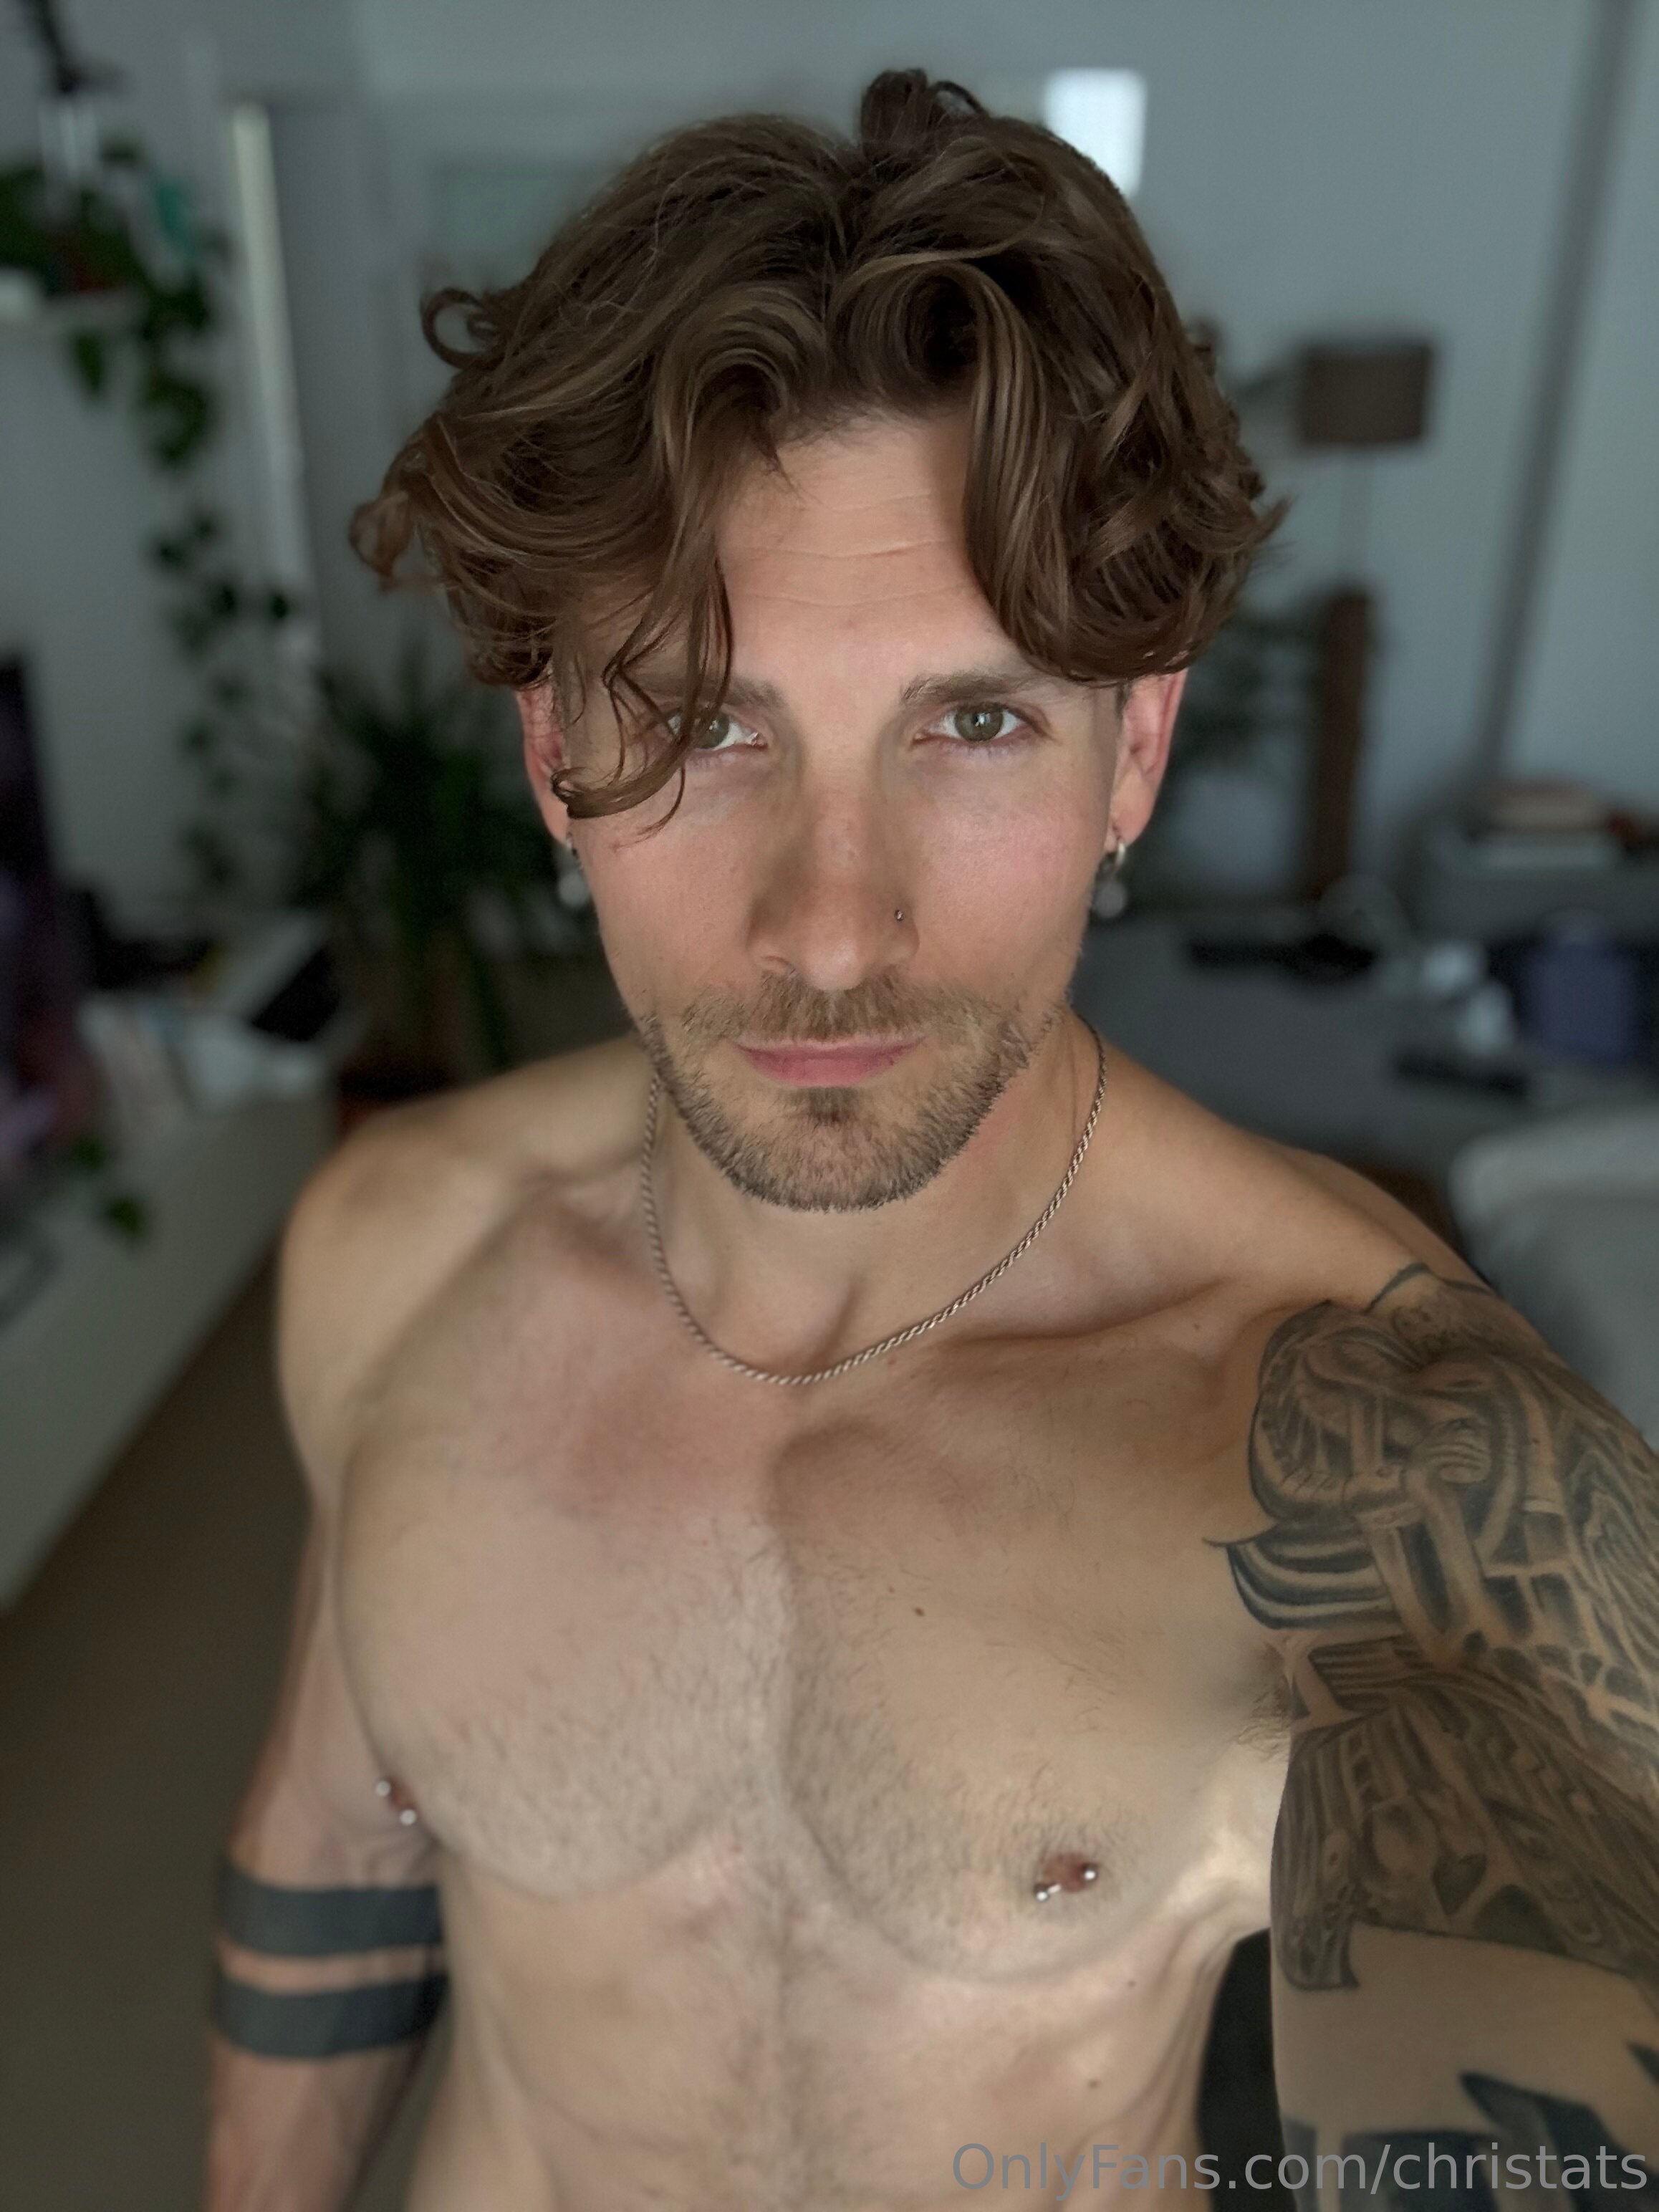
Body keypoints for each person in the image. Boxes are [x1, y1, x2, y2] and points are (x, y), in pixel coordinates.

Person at [202, 70, 1659, 2212]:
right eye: (701, 722)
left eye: (974, 723)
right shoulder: (397, 1258)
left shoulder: (1399, 1457)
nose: (831, 926)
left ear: (1131, 749)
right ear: (551, 751)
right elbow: (337, 1844)